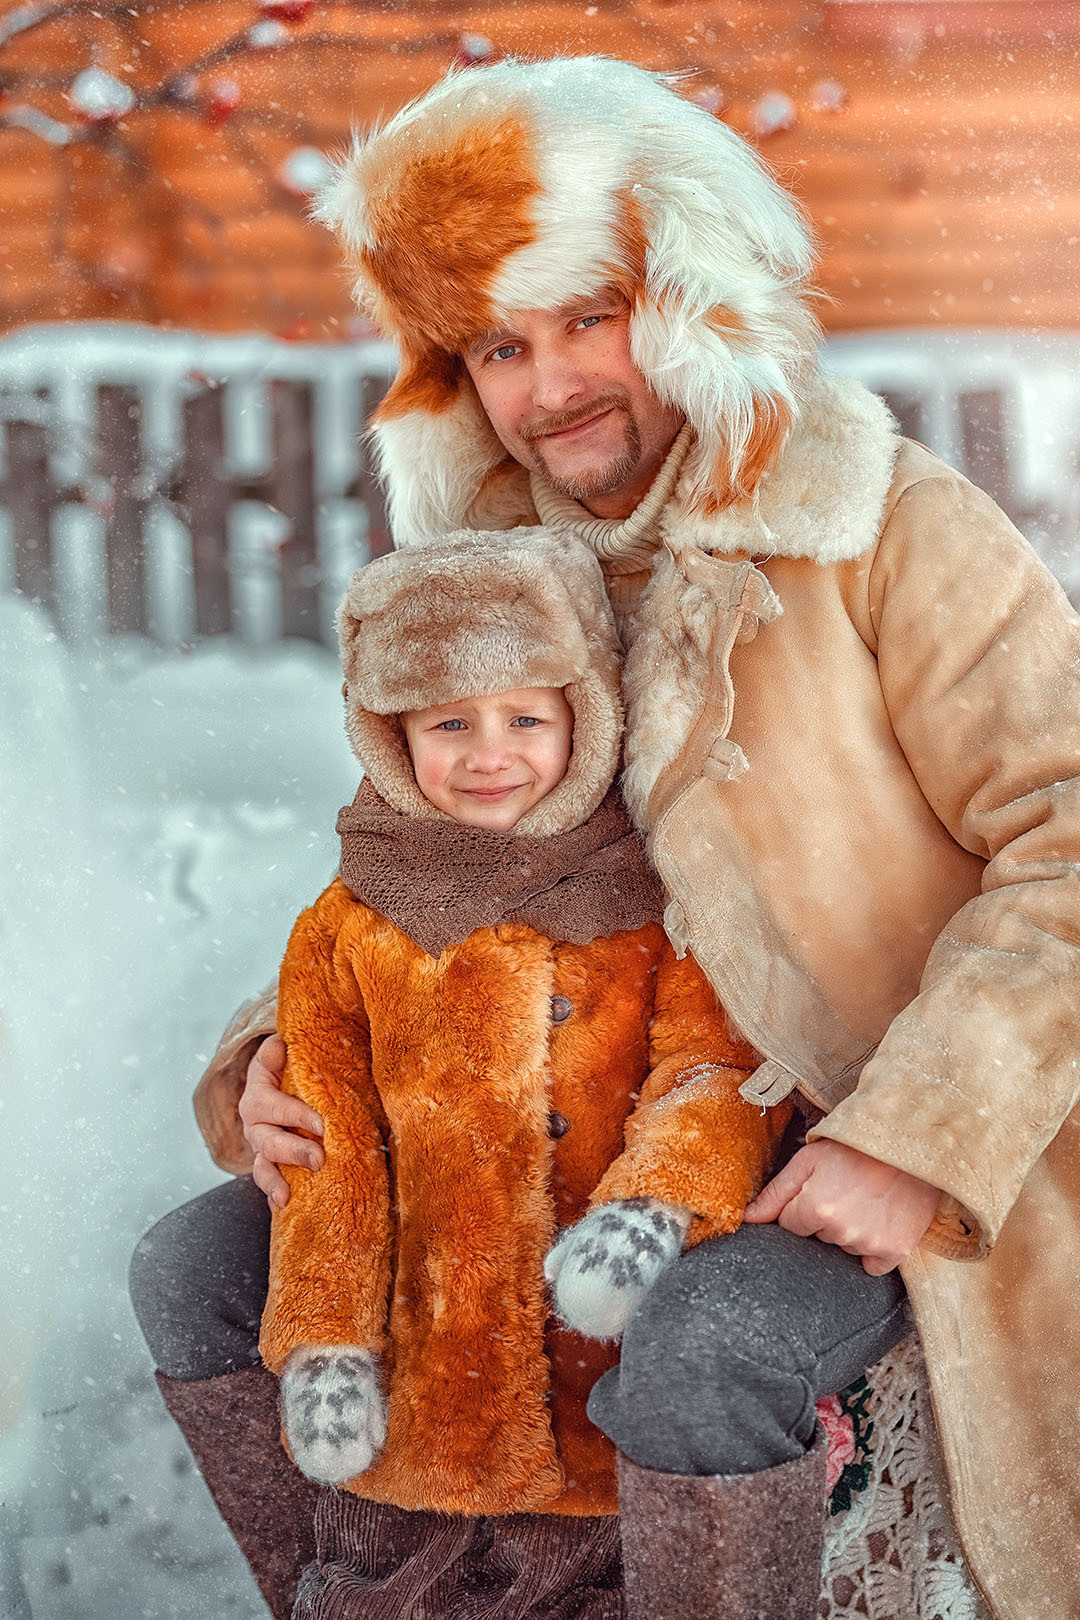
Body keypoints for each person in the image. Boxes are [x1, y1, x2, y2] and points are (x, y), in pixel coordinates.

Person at [136, 56, 1080, 1620]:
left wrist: (912, 1137)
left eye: (590, 317)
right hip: (530, 1118)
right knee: (199, 1269)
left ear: (693, 302)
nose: (550, 385)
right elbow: (406, 859)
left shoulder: (886, 529)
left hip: (814, 1146)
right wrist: (275, 1056)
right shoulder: (489, 571)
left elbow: (1068, 841)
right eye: (499, 345)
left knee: (707, 1341)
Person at [259, 526, 792, 1617]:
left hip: (609, 1360)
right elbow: (331, 1148)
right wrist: (326, 1337)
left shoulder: (654, 895)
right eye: (449, 723)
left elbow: (711, 1068)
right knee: (400, 1589)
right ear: (390, 735)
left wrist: (654, 1206)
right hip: (435, 1366)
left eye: (527, 720)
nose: (489, 753)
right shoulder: (348, 925)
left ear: (583, 720)